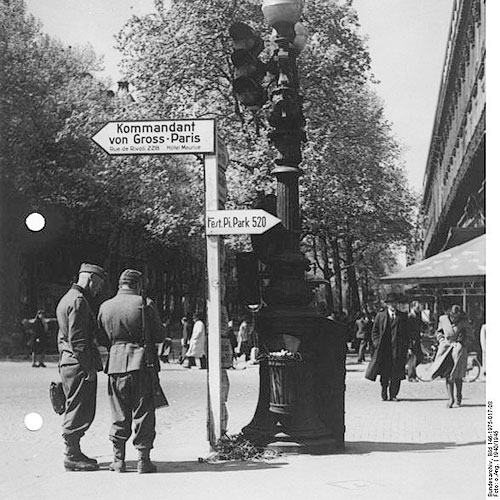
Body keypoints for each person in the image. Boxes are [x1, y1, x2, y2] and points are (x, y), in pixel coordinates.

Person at [97, 269, 166, 473]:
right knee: (143, 412)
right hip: (142, 364)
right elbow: (160, 335)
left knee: (118, 412)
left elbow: (101, 339)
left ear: (120, 284)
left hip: (115, 365)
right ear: (138, 285)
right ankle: (143, 460)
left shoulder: (105, 306)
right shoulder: (145, 304)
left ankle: (118, 460)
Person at [56, 263, 106, 471]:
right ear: (90, 279)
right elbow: (78, 340)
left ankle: (75, 451)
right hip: (78, 365)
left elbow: (63, 336)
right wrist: (88, 368)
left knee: (75, 407)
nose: (98, 290)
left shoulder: (67, 298)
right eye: (98, 284)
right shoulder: (78, 302)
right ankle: (71, 455)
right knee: (79, 409)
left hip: (68, 362)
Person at [365, 296, 409, 401]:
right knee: (384, 372)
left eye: (395, 303)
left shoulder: (402, 316)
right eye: (390, 303)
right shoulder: (380, 316)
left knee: (396, 372)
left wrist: (406, 347)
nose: (393, 305)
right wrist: (376, 343)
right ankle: (384, 392)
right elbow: (374, 331)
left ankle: (393, 394)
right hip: (385, 349)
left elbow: (407, 333)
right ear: (387, 304)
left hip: (398, 349)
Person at [431, 305, 474, 408]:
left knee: (458, 375)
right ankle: (451, 398)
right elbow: (439, 332)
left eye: (457, 317)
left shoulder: (464, 322)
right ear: (449, 315)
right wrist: (442, 341)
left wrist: (462, 343)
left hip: (459, 352)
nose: (454, 319)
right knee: (448, 375)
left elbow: (470, 335)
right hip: (446, 351)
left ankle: (458, 395)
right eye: (453, 317)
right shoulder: (443, 319)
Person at [407, 301, 424, 382]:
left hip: (417, 339)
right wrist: (409, 345)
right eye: (417, 307)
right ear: (412, 307)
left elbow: (421, 324)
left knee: (420, 357)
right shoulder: (410, 317)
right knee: (412, 358)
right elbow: (408, 332)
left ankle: (408, 369)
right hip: (412, 340)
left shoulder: (418, 315)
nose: (418, 309)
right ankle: (411, 376)